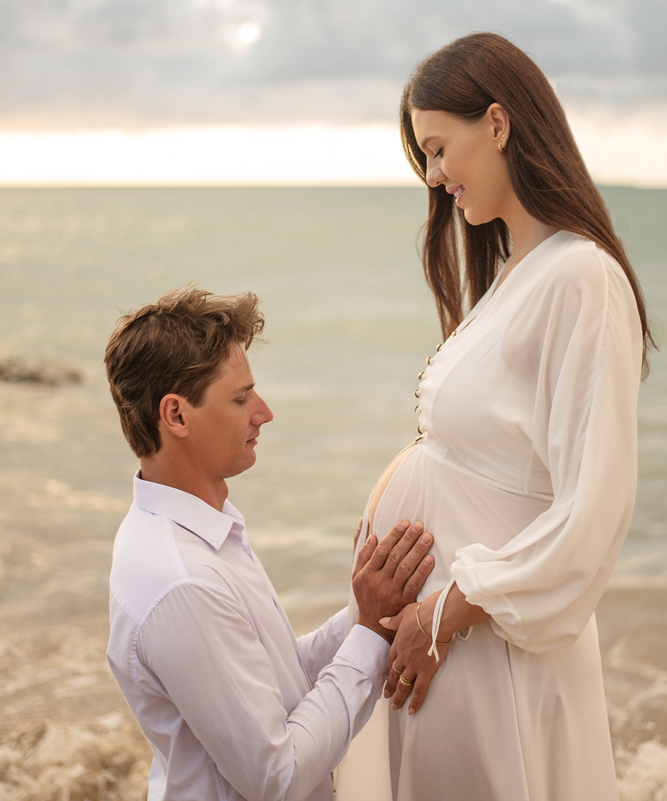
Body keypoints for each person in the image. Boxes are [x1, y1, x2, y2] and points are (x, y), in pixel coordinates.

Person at [344, 33, 654, 800]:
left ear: (499, 123)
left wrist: (441, 613)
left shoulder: (581, 277)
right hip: (450, 640)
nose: (434, 175)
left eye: (440, 148)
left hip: (484, 643)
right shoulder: (516, 274)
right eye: (424, 158)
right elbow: (475, 446)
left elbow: (593, 507)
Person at [103, 287, 437, 801]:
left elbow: (272, 683)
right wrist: (369, 633)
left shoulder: (202, 533)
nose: (264, 412)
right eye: (240, 398)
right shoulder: (181, 581)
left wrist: (366, 612)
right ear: (176, 416)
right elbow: (275, 776)